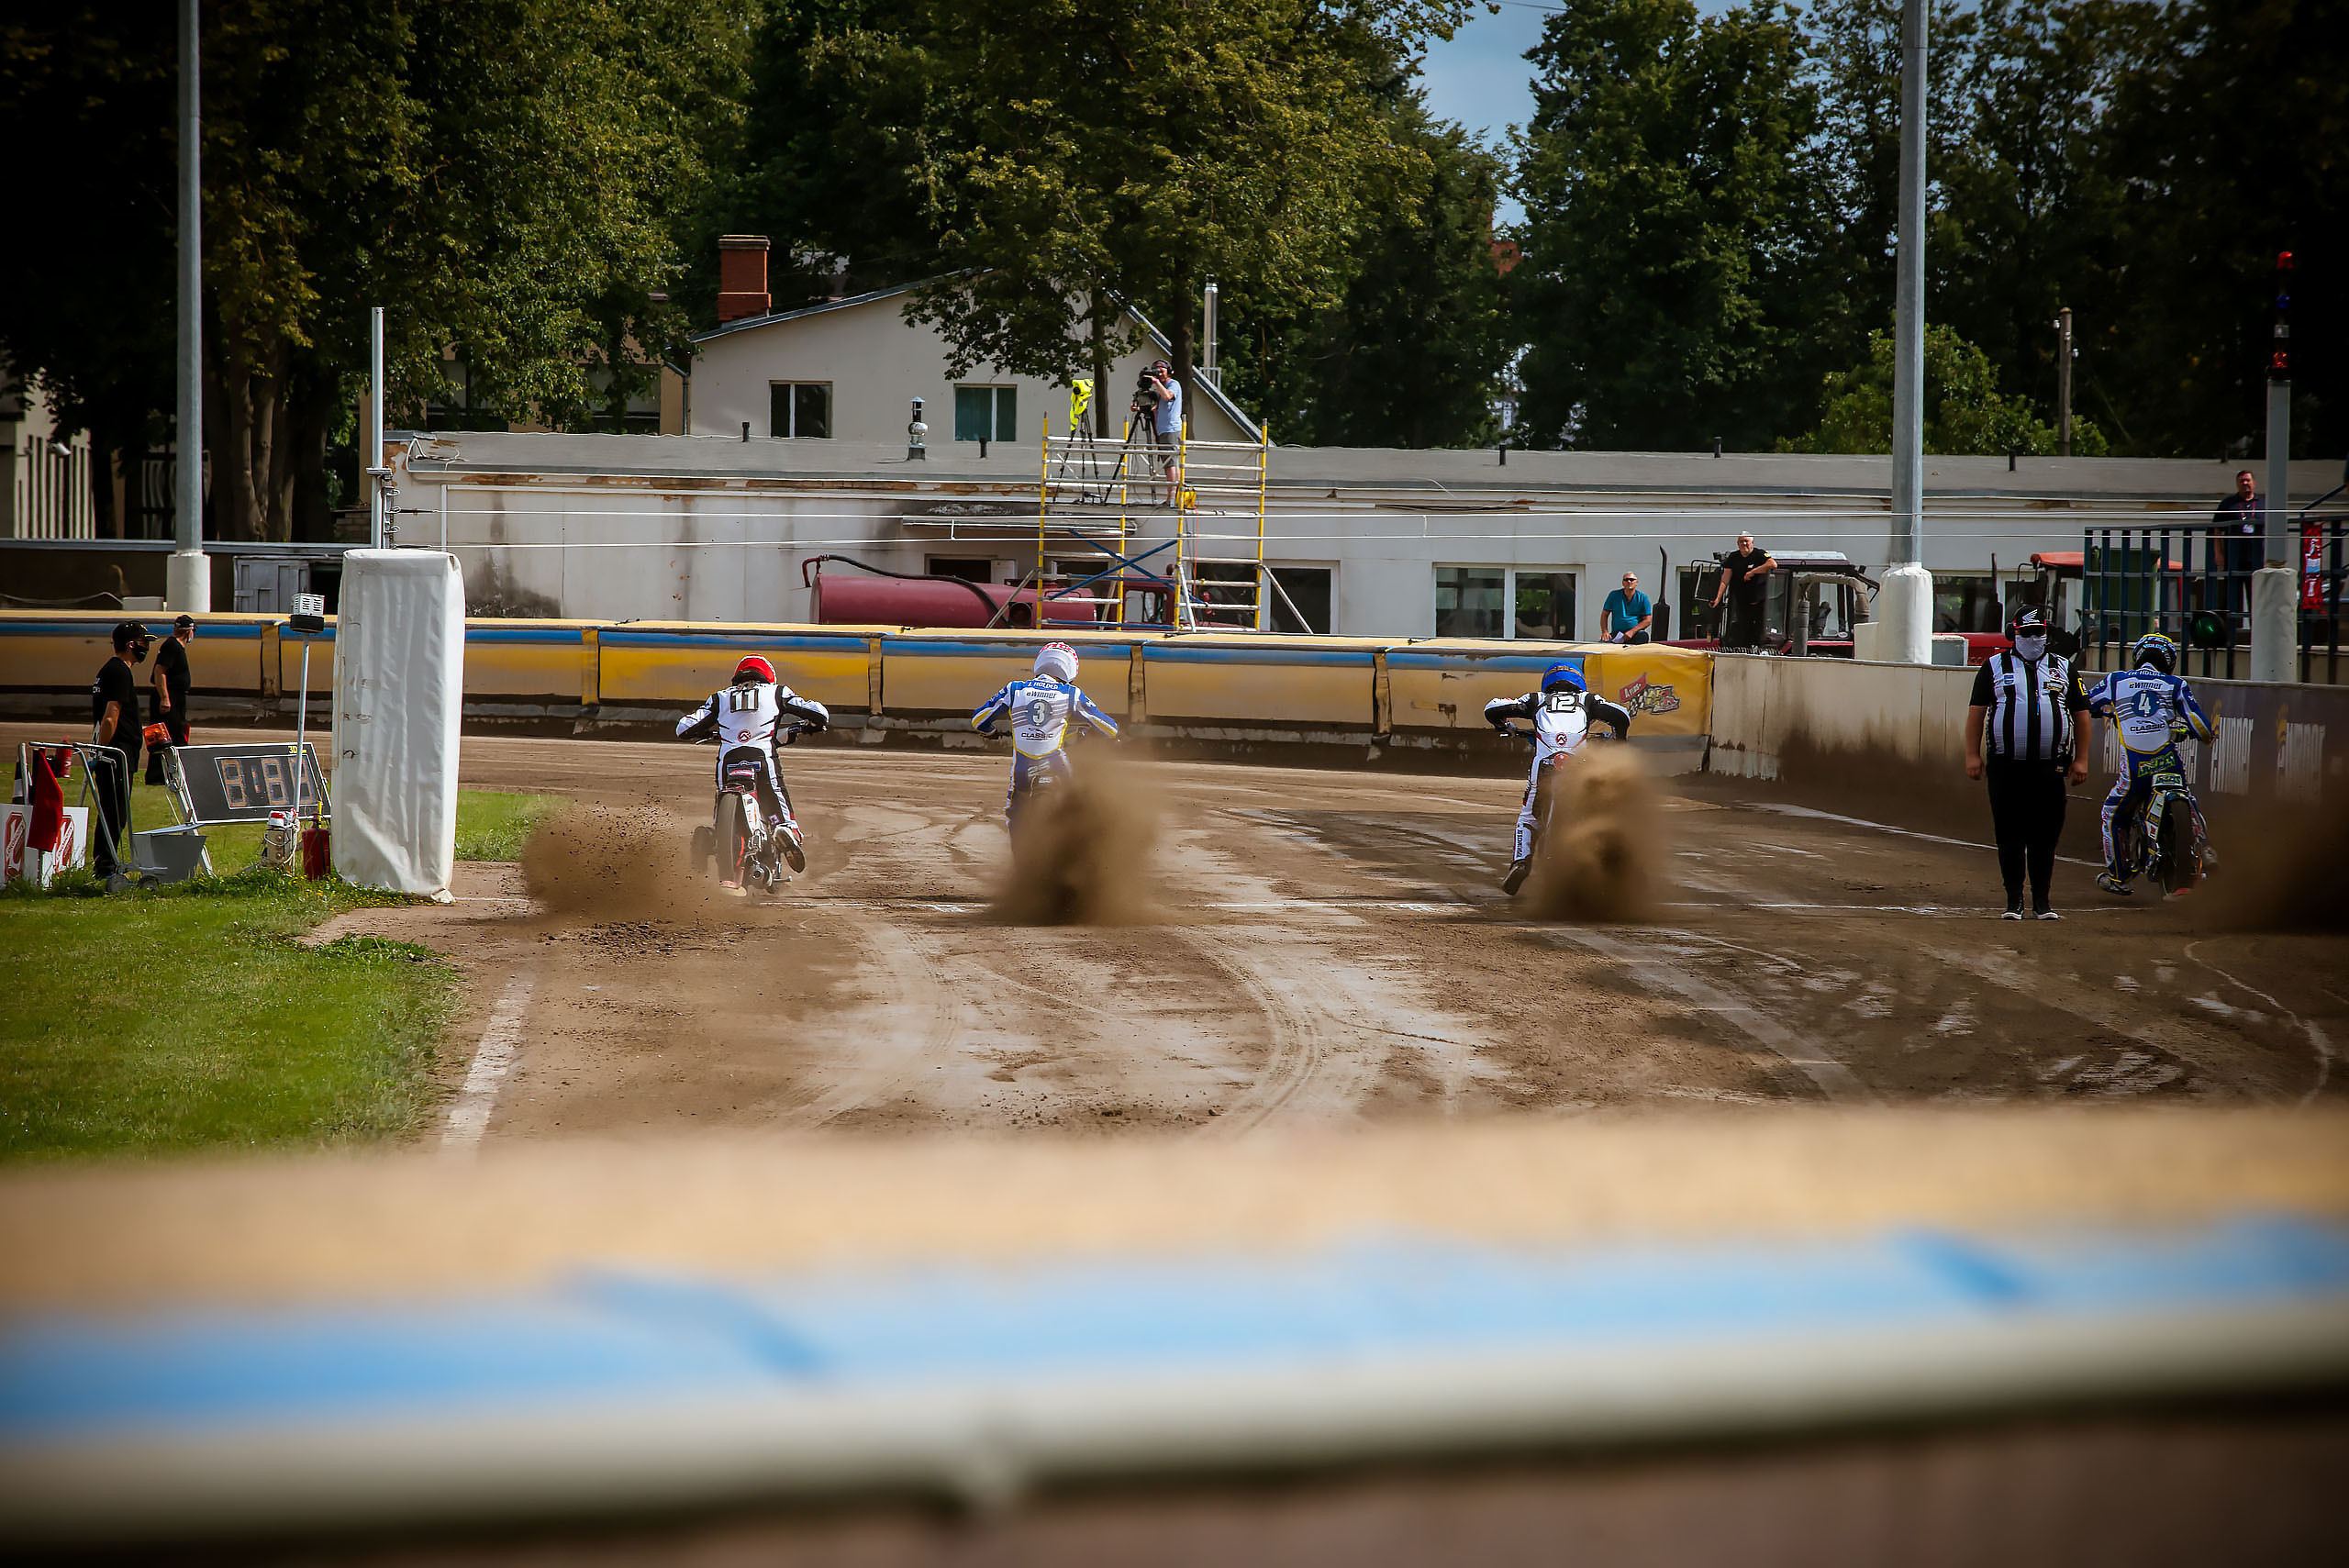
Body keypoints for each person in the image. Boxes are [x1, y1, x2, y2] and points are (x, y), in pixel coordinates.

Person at [1964, 608, 2089, 919]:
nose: (2034, 638)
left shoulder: (2064, 668)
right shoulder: (1994, 667)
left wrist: (2082, 759)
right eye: (2027, 633)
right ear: (2014, 633)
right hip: (2007, 767)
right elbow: (1976, 712)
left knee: (2045, 836)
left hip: (2050, 767)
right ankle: (2013, 900)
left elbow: (2082, 715)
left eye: (2039, 632)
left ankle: (2042, 902)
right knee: (2009, 834)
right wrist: (1972, 754)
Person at [674, 655, 829, 890]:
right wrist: (812, 726)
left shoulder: (720, 697)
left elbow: (683, 728)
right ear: (768, 677)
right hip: (762, 756)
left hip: (729, 760)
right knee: (775, 794)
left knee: (722, 796)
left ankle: (716, 840)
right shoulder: (777, 692)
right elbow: (820, 714)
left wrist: (712, 731)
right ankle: (785, 828)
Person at [1483, 662, 1633, 895]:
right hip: (1580, 769)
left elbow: (1492, 708)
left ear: (1548, 682)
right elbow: (1621, 716)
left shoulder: (1536, 699)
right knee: (1606, 808)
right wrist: (1618, 740)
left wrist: (1505, 726)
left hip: (1545, 765)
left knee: (1530, 817)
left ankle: (1521, 862)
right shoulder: (1589, 700)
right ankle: (1610, 856)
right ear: (1579, 683)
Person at [2084, 632, 2215, 897]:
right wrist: (2194, 734)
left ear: (2137, 657)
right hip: (2167, 761)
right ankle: (2208, 850)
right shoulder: (2175, 684)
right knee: (2188, 797)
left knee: (2114, 813)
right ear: (2170, 662)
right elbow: (2202, 728)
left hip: (2135, 770)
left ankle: (2120, 876)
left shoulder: (2116, 680)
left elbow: (2086, 703)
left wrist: (2103, 711)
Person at [972, 641, 1119, 832]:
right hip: (1056, 766)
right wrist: (1094, 735)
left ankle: (1020, 859)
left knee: (1014, 814)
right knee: (1076, 809)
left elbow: (978, 720)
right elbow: (1110, 729)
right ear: (1070, 669)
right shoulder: (1071, 693)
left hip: (1022, 770)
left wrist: (990, 731)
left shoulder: (1014, 689)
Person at [88, 620, 151, 878]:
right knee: (115, 813)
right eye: (143, 642)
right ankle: (105, 866)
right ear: (131, 644)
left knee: (112, 810)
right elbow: (111, 715)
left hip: (115, 752)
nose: (146, 648)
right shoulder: (120, 671)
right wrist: (102, 750)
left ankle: (105, 862)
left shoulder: (109, 670)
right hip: (117, 753)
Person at [145, 614, 195, 785]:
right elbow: (160, 671)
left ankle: (171, 773)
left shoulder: (176, 647)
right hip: (170, 696)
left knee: (176, 735)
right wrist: (165, 698)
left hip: (177, 697)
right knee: (165, 737)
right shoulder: (172, 646)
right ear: (189, 631)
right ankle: (159, 776)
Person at [1709, 533, 1776, 650]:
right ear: (1737, 544)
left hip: (1761, 604)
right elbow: (1725, 579)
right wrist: (1718, 598)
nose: (1744, 544)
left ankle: (1759, 647)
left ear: (1752, 543)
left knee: (1759, 632)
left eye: (1746, 541)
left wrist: (1752, 572)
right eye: (1741, 541)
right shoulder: (1733, 557)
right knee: (1741, 631)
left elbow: (1772, 564)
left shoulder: (1759, 554)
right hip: (1741, 603)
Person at [1600, 573, 1653, 644]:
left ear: (1636, 582)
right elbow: (1604, 614)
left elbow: (1648, 620)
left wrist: (1632, 631)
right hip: (1617, 635)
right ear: (1623, 582)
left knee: (1643, 636)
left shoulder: (1643, 598)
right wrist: (1605, 631)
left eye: (1631, 580)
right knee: (1603, 645)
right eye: (1626, 579)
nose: (1629, 581)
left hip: (1636, 634)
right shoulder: (1614, 595)